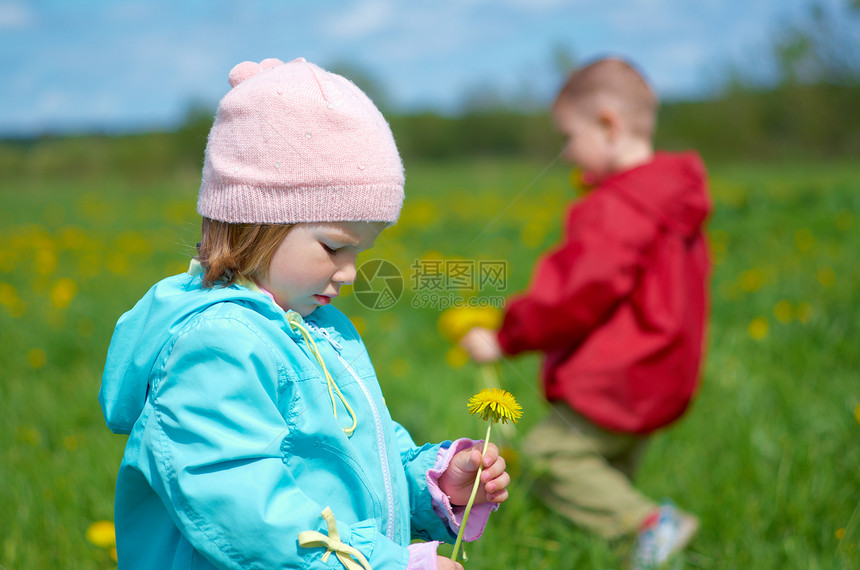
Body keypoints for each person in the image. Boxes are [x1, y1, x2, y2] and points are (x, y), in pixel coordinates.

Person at [99, 57, 510, 570]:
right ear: (258, 222)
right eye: (334, 247)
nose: (351, 272)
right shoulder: (215, 348)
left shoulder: (318, 326)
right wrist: (386, 565)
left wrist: (435, 483)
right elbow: (250, 521)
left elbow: (360, 469)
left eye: (361, 250)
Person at [460, 57, 711, 567]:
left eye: (569, 136)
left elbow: (572, 295)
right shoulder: (674, 200)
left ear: (607, 126)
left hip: (616, 374)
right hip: (665, 368)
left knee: (550, 456)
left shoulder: (616, 207)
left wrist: (506, 337)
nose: (566, 152)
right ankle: (632, 548)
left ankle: (651, 527)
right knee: (608, 468)